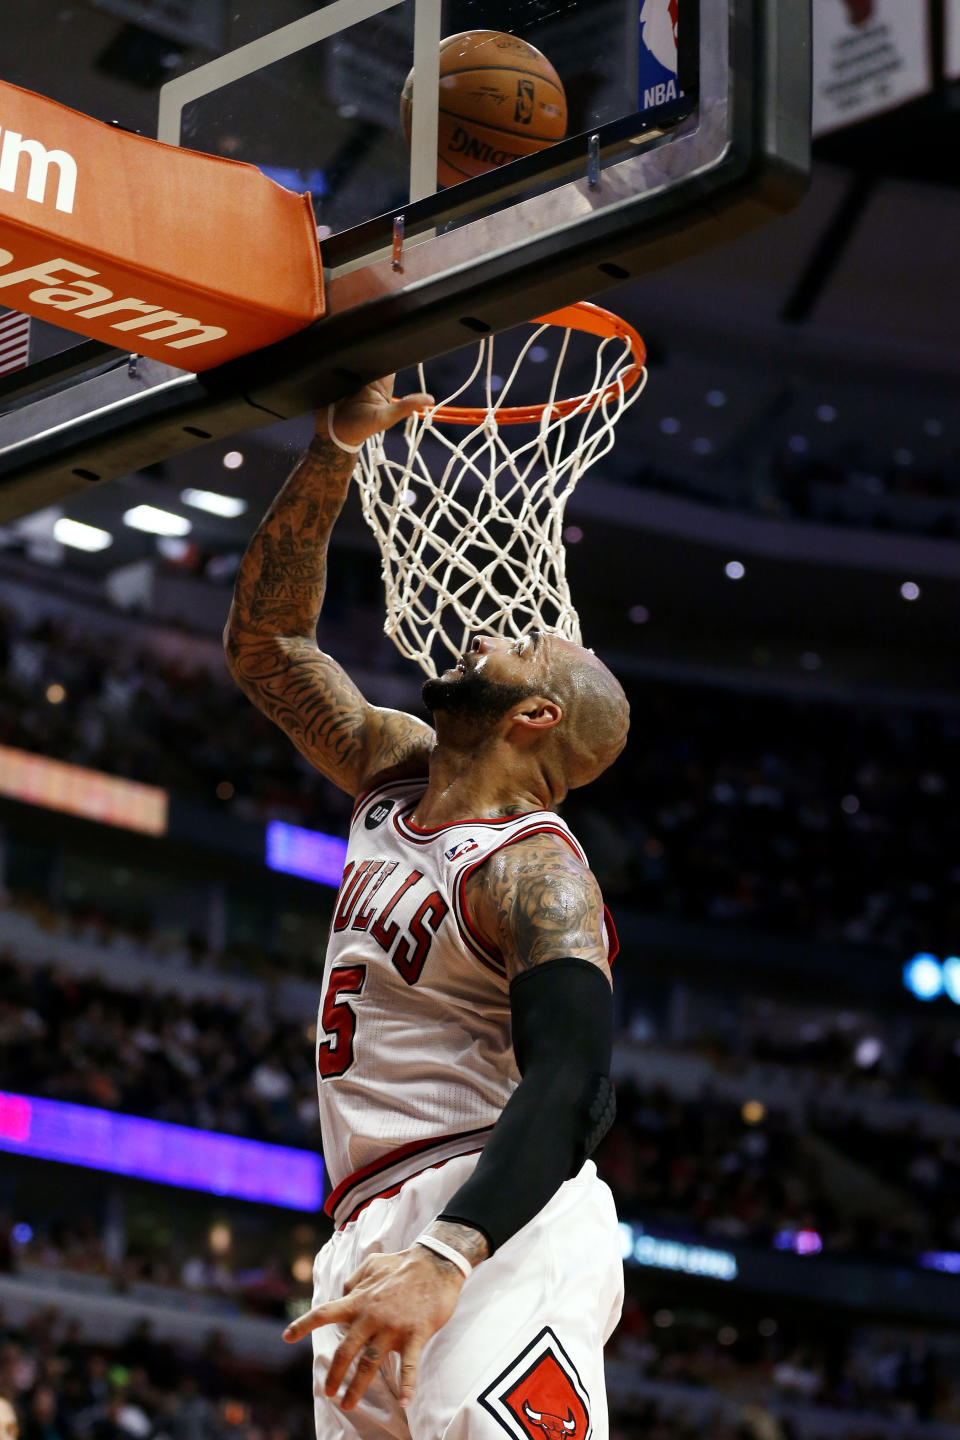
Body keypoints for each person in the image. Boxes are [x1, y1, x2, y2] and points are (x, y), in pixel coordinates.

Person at [223, 377, 630, 1440]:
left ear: (535, 715)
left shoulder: (537, 875)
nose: (496, 630)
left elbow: (576, 1081)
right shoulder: (394, 771)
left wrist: (454, 1252)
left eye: (523, 646)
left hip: (492, 1216)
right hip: (365, 1220)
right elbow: (267, 648)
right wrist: (334, 449)